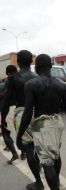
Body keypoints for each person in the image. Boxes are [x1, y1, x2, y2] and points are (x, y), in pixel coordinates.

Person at [17, 54, 66, 190]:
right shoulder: (61, 84)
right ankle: (56, 181)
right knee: (56, 155)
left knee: (47, 163)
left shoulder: (31, 85)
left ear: (37, 67)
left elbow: (28, 112)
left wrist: (19, 135)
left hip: (42, 126)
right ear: (50, 66)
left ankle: (54, 186)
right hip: (57, 123)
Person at [1, 50, 43, 190]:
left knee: (28, 148)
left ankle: (38, 182)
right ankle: (39, 167)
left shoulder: (12, 79)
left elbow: (6, 102)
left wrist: (2, 120)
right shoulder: (37, 76)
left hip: (21, 114)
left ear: (18, 62)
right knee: (38, 145)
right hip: (38, 114)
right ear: (31, 61)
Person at [0, 65, 19, 163]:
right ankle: (24, 153)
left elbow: (5, 101)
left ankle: (15, 154)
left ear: (7, 73)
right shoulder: (23, 80)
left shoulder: (8, 82)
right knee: (21, 132)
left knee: (5, 133)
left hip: (9, 109)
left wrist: (2, 118)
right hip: (21, 109)